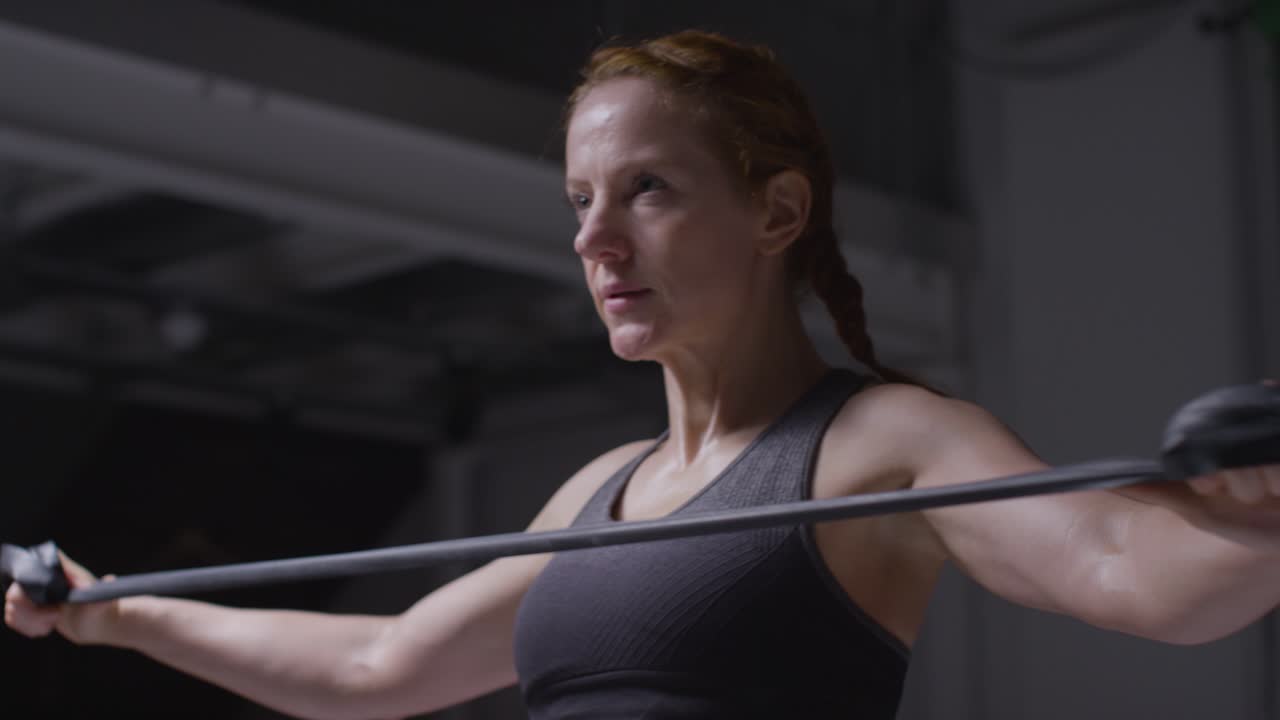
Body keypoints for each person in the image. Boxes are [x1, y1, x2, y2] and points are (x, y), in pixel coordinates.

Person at [6, 29, 1280, 720]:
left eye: (648, 191)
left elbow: (1134, 574)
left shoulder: (886, 441)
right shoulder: (596, 493)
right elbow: (377, 670)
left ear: (777, 210)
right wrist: (114, 612)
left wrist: (1256, 515)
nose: (591, 239)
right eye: (577, 200)